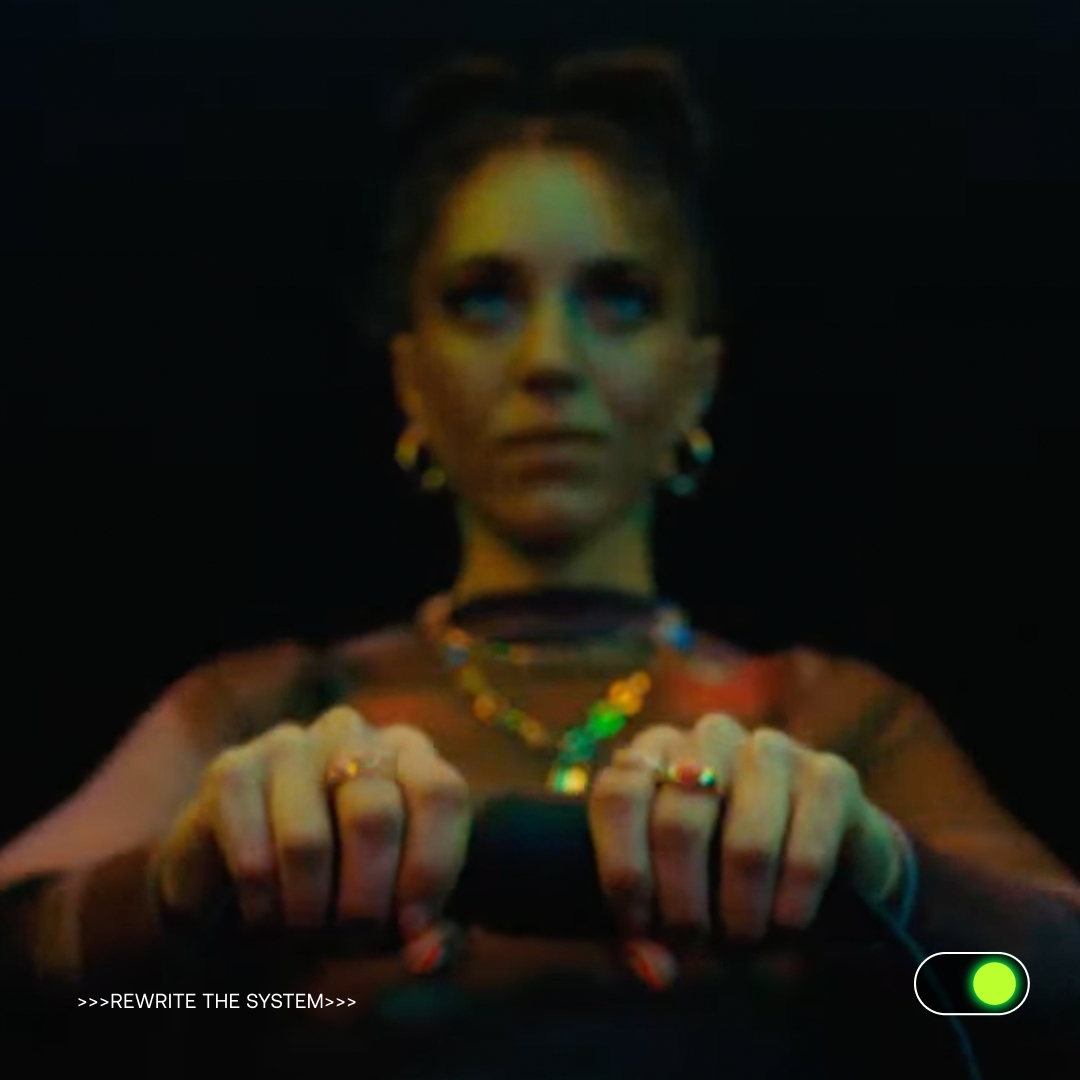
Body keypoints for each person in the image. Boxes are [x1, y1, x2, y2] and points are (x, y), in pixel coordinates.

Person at [1, 47, 1077, 1080]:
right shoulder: (266, 706)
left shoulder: (835, 717)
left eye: (620, 296)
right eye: (483, 297)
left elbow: (1039, 995)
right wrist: (173, 894)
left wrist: (890, 881)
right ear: (411, 378)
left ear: (697, 378)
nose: (549, 361)